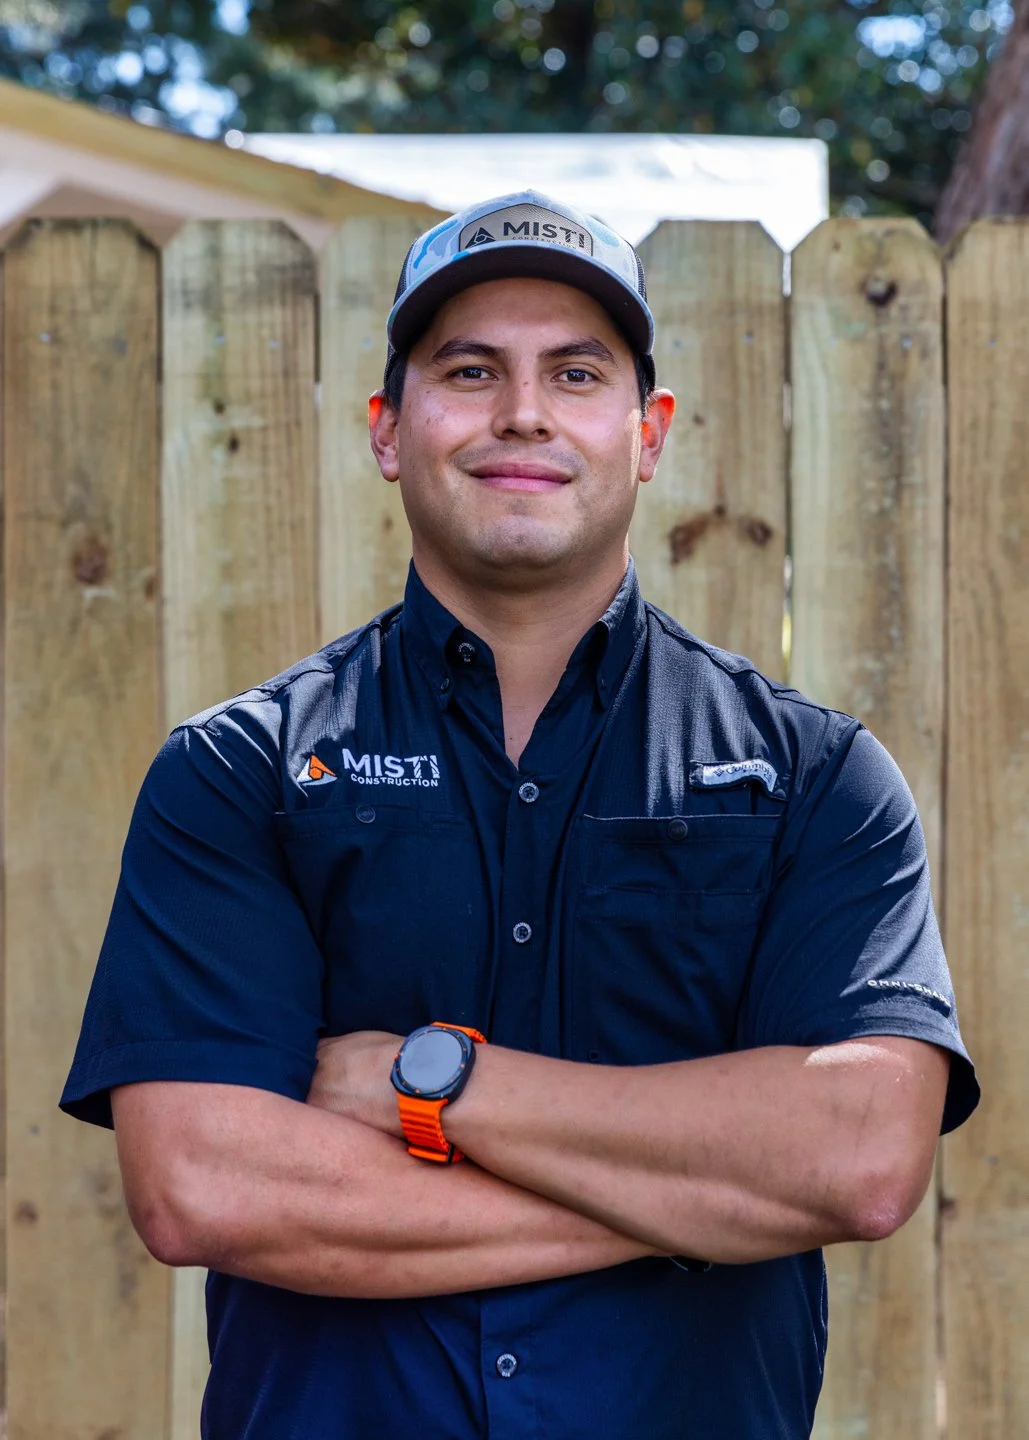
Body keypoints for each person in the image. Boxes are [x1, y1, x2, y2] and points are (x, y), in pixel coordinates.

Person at [62, 190, 978, 1440]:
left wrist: (423, 1085)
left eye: (577, 372)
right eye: (471, 369)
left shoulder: (816, 779)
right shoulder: (242, 773)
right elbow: (201, 1186)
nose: (524, 412)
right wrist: (698, 1199)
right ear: (389, 430)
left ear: (647, 433)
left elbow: (864, 1157)